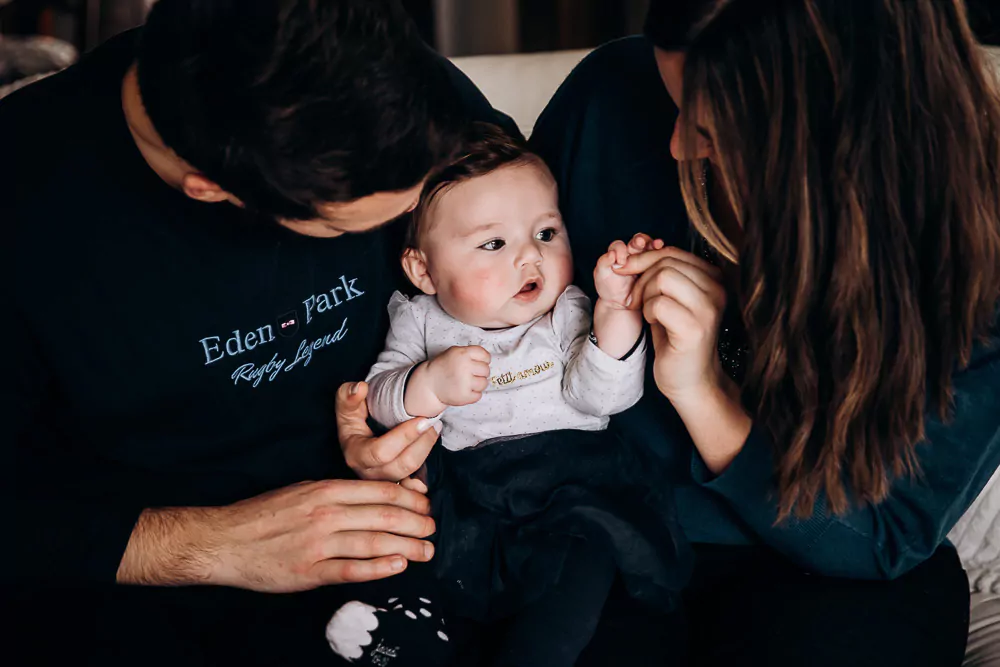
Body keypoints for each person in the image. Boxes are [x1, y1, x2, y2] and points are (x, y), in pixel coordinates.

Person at [3, 1, 515, 664]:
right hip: (159, 589)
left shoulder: (411, 91)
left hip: (435, 533)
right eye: (347, 228)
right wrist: (205, 542)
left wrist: (410, 413)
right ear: (211, 191)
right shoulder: (24, 201)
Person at [527, 0, 1000, 665]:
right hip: (600, 539)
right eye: (675, 102)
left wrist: (702, 391)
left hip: (831, 569)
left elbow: (883, 532)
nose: (678, 145)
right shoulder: (609, 99)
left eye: (715, 131)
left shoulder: (975, 252)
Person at [359, 123, 687, 666]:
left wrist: (616, 315)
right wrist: (426, 385)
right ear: (424, 270)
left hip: (572, 477)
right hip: (472, 488)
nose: (530, 258)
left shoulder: (566, 311)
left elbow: (601, 398)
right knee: (424, 553)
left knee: (579, 561)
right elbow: (378, 396)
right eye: (493, 243)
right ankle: (410, 628)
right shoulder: (419, 322)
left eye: (546, 233)